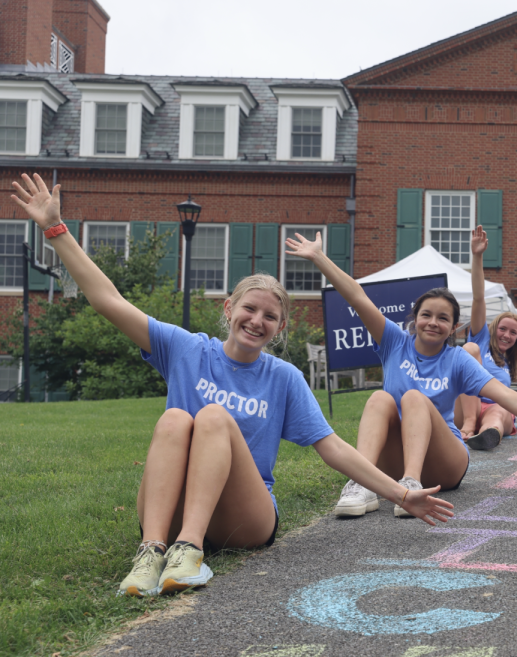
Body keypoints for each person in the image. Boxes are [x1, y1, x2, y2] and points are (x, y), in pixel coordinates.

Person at [8, 173, 456, 598]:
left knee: (212, 417)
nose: (256, 321)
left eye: (270, 316)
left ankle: (189, 550)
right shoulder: (185, 349)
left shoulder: (283, 377)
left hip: (246, 517)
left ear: (280, 328)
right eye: (250, 309)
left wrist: (401, 493)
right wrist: (56, 229)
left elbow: (332, 447)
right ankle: (150, 551)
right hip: (177, 504)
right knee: (174, 417)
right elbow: (108, 300)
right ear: (228, 309)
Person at [284, 229, 517, 519]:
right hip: (393, 459)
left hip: (444, 463)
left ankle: (411, 482)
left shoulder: (457, 359)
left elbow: (504, 395)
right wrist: (319, 258)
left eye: (443, 318)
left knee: (413, 397)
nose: (433, 323)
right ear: (415, 317)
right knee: (379, 398)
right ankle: (362, 483)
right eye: (426, 315)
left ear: (453, 327)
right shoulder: (394, 341)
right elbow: (358, 298)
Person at [454, 227, 517, 451]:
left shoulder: (508, 363)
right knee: (469, 348)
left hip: (495, 411)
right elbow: (478, 298)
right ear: (493, 329)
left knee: (500, 409)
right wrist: (477, 256)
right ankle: (470, 424)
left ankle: (486, 436)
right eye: (503, 329)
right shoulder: (481, 339)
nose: (507, 335)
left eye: (513, 333)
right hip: (465, 410)